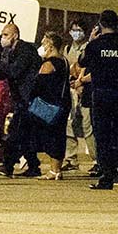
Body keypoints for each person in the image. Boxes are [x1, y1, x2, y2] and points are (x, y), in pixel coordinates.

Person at [78, 10, 118, 190]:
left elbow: (82, 62)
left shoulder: (95, 45)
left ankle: (107, 176)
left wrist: (90, 40)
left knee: (103, 136)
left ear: (100, 25)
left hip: (102, 94)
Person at [0, 23, 43, 177]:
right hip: (22, 99)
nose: (3, 39)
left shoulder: (24, 50)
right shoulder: (13, 51)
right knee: (25, 134)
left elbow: (15, 71)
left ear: (15, 35)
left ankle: (8, 165)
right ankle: (33, 165)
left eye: (5, 35)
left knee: (16, 132)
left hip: (27, 98)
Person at [27, 32, 72, 181]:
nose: (42, 46)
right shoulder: (64, 61)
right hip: (63, 103)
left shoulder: (49, 63)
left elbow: (38, 85)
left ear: (50, 46)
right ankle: (57, 169)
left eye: (44, 43)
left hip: (50, 105)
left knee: (51, 136)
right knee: (59, 136)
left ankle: (53, 169)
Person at [63, 20, 98, 175]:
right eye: (73, 30)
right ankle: (70, 158)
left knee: (87, 125)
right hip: (71, 90)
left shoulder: (88, 47)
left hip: (83, 90)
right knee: (69, 125)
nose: (75, 33)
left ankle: (96, 159)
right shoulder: (67, 48)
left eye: (79, 30)